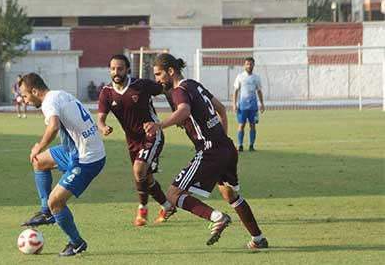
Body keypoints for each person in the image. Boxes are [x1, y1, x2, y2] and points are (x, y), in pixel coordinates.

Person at [144, 53, 268, 249]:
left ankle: (217, 217)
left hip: (210, 151)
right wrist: (222, 139)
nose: (157, 80)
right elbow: (221, 108)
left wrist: (159, 125)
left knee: (173, 195)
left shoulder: (179, 91)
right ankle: (258, 238)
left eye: (159, 74)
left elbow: (183, 110)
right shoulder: (194, 84)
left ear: (170, 71)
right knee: (232, 196)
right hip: (225, 148)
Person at [19, 73, 106, 256]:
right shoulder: (60, 94)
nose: (25, 101)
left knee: (56, 201)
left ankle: (76, 243)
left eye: (26, 96)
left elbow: (54, 126)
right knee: (40, 162)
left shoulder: (49, 102)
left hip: (87, 159)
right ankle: (46, 213)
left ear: (35, 91)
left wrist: (38, 146)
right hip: (74, 151)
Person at [97, 54, 173, 226]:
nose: (116, 72)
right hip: (132, 141)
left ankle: (142, 209)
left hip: (152, 135)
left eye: (120, 68)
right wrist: (103, 127)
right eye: (113, 68)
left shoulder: (141, 85)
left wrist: (176, 111)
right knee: (147, 178)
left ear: (128, 70)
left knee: (139, 170)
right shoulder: (107, 93)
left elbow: (166, 88)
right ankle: (168, 206)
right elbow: (100, 119)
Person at [232, 57, 264, 152]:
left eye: (251, 64)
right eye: (247, 64)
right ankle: (240, 145)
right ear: (244, 65)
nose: (249, 66)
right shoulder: (240, 77)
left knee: (253, 125)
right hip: (242, 106)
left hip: (253, 106)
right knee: (241, 125)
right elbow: (236, 91)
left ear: (253, 65)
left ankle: (251, 146)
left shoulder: (256, 78)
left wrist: (262, 103)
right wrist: (234, 104)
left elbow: (259, 91)